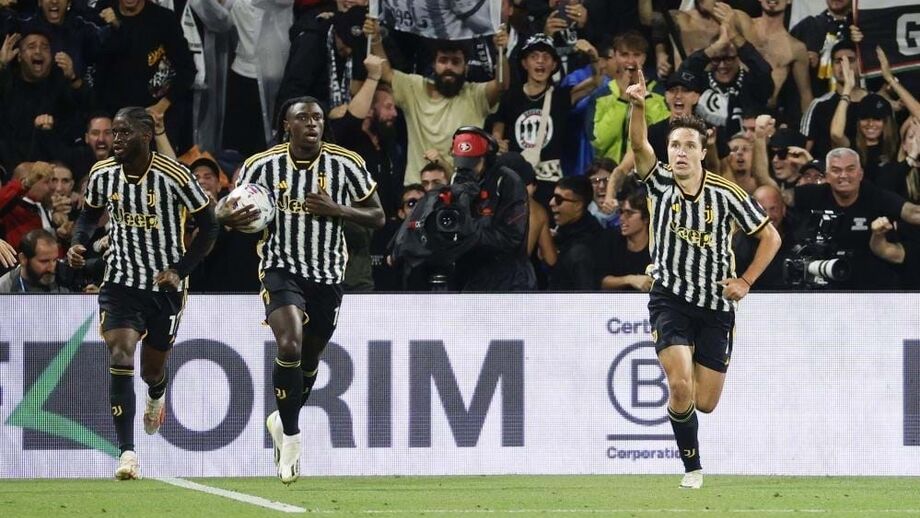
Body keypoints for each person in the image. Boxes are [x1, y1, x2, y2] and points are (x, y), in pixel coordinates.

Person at [626, 69, 781, 488]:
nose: (679, 153)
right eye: (674, 145)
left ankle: (689, 435)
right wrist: (638, 107)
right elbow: (639, 145)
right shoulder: (659, 183)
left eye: (688, 146)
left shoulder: (726, 193)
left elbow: (770, 237)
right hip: (670, 298)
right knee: (679, 385)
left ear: (702, 149)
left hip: (715, 306)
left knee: (705, 402)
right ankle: (692, 467)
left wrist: (745, 281)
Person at [219, 96, 384, 484]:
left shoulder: (347, 163)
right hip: (280, 269)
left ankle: (281, 421)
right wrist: (225, 214)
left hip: (327, 275)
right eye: (303, 118)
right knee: (290, 344)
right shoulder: (262, 165)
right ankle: (292, 438)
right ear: (287, 125)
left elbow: (378, 216)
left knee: (309, 359)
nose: (312, 123)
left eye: (318, 118)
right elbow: (227, 209)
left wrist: (337, 209)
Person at [66, 107, 218, 480]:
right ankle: (127, 453)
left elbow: (209, 225)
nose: (114, 140)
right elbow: (88, 216)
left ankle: (157, 392)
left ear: (146, 135)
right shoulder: (102, 173)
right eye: (113, 133)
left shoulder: (175, 175)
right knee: (121, 353)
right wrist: (79, 242)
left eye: (123, 133)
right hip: (120, 281)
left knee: (152, 370)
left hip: (165, 286)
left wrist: (180, 270)